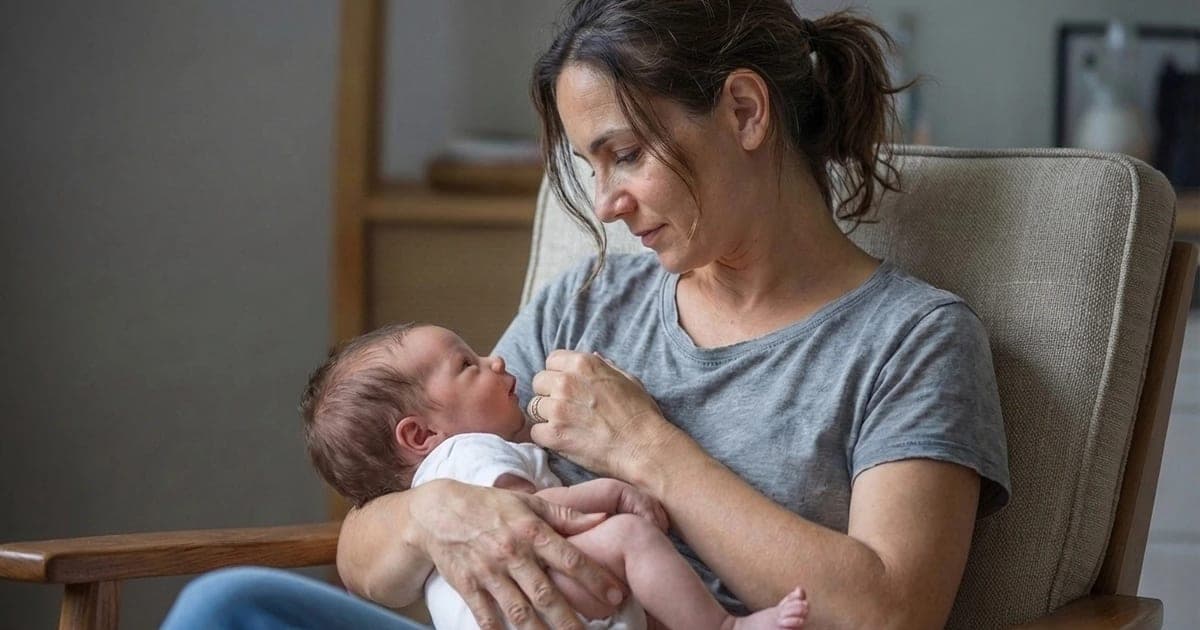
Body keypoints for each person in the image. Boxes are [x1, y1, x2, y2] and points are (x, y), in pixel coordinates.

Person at [163, 1, 1010, 628]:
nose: (606, 204)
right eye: (591, 167)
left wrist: (649, 449)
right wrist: (433, 514)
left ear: (745, 112)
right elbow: (365, 549)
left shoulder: (913, 340)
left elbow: (889, 612)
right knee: (228, 605)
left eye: (626, 155)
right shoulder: (588, 302)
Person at [298, 321, 810, 630]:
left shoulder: (450, 460)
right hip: (541, 599)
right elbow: (539, 519)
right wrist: (613, 493)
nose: (496, 360)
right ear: (419, 434)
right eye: (467, 364)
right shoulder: (468, 452)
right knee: (629, 538)